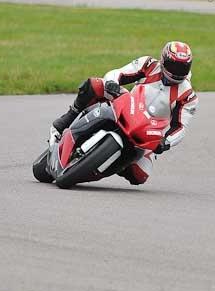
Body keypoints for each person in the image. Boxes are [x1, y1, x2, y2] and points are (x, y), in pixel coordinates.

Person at [50, 41, 198, 185]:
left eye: (182, 68)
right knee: (95, 85)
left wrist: (166, 142)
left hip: (147, 132)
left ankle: (108, 162)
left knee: (139, 176)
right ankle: (68, 119)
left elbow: (180, 127)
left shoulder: (188, 95)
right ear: (163, 60)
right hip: (127, 105)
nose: (176, 72)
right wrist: (112, 82)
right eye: (173, 66)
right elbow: (119, 73)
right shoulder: (149, 64)